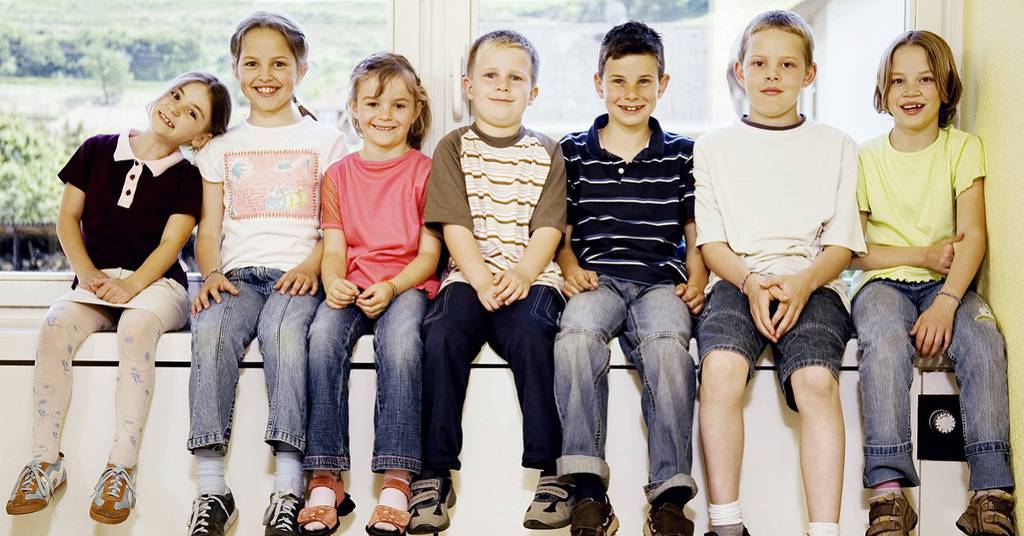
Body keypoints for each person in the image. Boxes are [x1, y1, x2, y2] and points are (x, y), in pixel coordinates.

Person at [5, 71, 230, 525]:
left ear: (201, 135)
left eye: (192, 112)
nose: (175, 109)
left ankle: (119, 469)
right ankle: (45, 463)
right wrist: (86, 274)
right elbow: (67, 219)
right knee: (53, 327)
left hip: (157, 286)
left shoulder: (187, 176)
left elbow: (171, 246)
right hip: (95, 281)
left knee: (135, 328)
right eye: (175, 94)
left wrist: (130, 288)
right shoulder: (96, 148)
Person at [693, 10, 865, 536]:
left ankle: (824, 529)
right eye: (760, 63)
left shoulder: (837, 145)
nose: (772, 75)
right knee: (719, 372)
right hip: (736, 280)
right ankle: (726, 522)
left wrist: (804, 282)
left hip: (813, 283)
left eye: (787, 65)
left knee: (816, 383)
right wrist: (748, 282)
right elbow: (711, 241)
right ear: (740, 71)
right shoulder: (713, 147)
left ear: (808, 75)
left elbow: (841, 244)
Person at [184, 11, 347, 536]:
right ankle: (213, 489)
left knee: (283, 335)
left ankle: (288, 488)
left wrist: (312, 265)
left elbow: (335, 225)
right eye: (252, 62)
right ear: (236, 68)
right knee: (207, 333)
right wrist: (209, 273)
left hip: (297, 275)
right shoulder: (219, 147)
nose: (265, 74)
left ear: (301, 68)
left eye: (279, 63)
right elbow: (208, 230)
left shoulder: (327, 142)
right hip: (235, 276)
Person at [406, 29, 571, 535]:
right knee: (441, 336)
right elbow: (455, 224)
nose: (503, 86)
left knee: (534, 337)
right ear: (468, 87)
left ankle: (551, 471)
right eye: (491, 76)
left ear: (533, 92)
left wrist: (522, 273)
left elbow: (548, 226)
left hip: (533, 275)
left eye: (516, 77)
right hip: (469, 273)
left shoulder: (548, 151)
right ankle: (434, 471)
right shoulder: (453, 148)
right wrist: (479, 278)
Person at [851, 30, 1015, 536]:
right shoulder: (865, 156)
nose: (910, 90)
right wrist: (920, 253)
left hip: (948, 285)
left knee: (985, 339)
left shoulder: (963, 149)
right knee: (880, 341)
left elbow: (974, 237)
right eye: (898, 80)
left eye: (924, 78)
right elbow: (856, 251)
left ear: (945, 87)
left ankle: (990, 492)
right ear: (883, 91)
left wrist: (946, 302)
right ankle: (888, 492)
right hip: (880, 283)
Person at [553, 20, 706, 536]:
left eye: (644, 81)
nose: (631, 93)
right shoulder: (573, 151)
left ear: (663, 85)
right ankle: (587, 489)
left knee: (668, 351)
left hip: (662, 280)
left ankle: (669, 496)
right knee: (575, 339)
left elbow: (694, 226)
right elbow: (563, 228)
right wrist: (570, 268)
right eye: (619, 81)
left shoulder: (683, 152)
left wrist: (699, 275)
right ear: (599, 83)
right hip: (596, 278)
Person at [298, 52, 440, 536]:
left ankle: (397, 479)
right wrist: (335, 279)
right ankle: (324, 477)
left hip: (407, 285)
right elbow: (333, 248)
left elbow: (429, 255)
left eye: (399, 106)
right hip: (354, 284)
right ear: (354, 109)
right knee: (320, 339)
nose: (385, 115)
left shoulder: (426, 171)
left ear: (415, 112)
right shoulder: (337, 176)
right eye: (374, 103)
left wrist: (393, 285)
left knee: (401, 346)